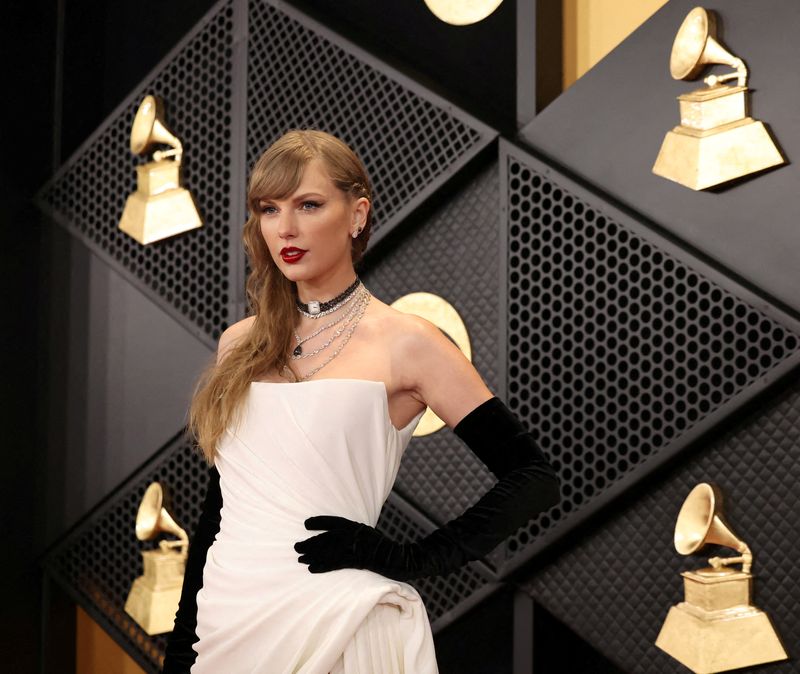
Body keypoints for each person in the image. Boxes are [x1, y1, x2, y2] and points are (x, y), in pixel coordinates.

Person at [162, 129, 561, 673]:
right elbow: (218, 515)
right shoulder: (240, 343)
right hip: (227, 622)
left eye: (308, 205)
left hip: (338, 622)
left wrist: (405, 558)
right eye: (269, 209)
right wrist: (182, 650)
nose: (286, 228)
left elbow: (532, 477)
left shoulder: (409, 342)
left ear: (357, 215)